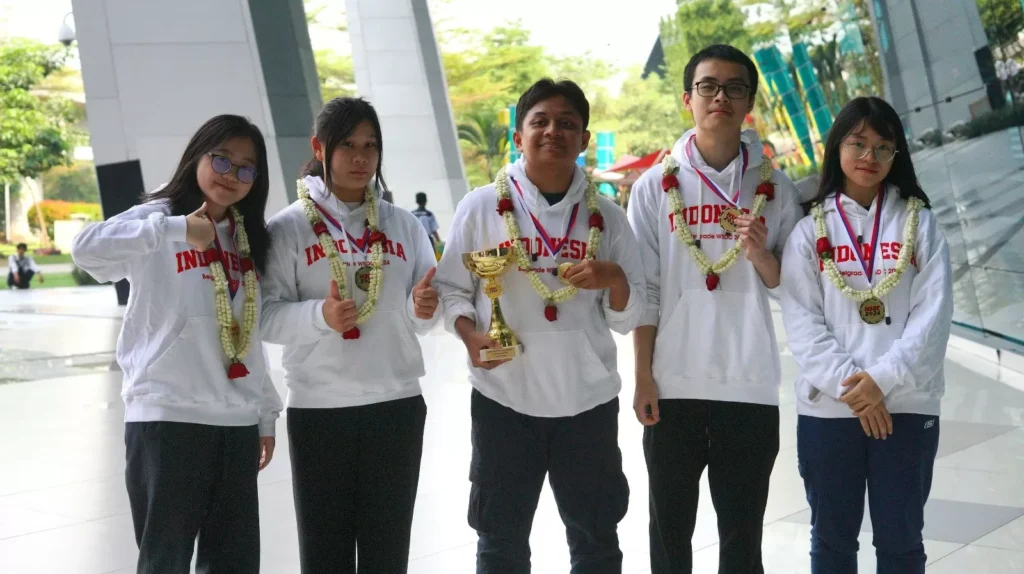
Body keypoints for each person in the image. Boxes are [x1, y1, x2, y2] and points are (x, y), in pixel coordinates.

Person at [435, 78, 647, 574]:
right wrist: (470, 336)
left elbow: (629, 316)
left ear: (584, 139)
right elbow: (452, 289)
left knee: (596, 541)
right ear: (518, 135)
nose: (554, 131)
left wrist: (613, 278)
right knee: (500, 543)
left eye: (567, 123)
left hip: (586, 404)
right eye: (541, 122)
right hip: (503, 399)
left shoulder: (609, 218)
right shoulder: (481, 206)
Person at [70, 114, 283, 574]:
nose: (232, 176)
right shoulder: (157, 219)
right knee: (164, 562)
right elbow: (85, 250)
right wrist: (173, 230)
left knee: (235, 563)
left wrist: (264, 412)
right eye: (222, 159)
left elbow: (246, 334)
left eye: (246, 169)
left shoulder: (245, 239)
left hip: (235, 421)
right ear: (198, 156)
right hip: (168, 417)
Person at [626, 44, 804, 574]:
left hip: (747, 385)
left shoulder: (775, 188)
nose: (719, 96)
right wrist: (642, 376)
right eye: (708, 86)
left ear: (748, 101)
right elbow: (646, 290)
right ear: (688, 98)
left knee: (743, 540)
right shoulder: (656, 187)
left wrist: (760, 255)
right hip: (673, 386)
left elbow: (791, 290)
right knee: (669, 538)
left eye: (733, 87)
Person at [260, 96, 440, 574]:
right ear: (321, 148)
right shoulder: (288, 228)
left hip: (396, 405)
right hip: (321, 410)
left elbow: (423, 313)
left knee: (388, 551)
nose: (361, 158)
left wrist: (423, 309)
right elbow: (266, 316)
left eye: (371, 146)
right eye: (347, 145)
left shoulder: (403, 225)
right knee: (325, 552)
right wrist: (321, 315)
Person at [779, 97, 952, 574]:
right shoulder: (809, 229)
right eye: (858, 142)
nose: (868, 157)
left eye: (883, 147)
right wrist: (859, 390)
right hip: (830, 409)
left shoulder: (920, 223)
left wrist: (884, 380)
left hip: (908, 406)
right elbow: (802, 320)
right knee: (832, 543)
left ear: (897, 156)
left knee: (901, 543)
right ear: (838, 146)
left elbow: (933, 316)